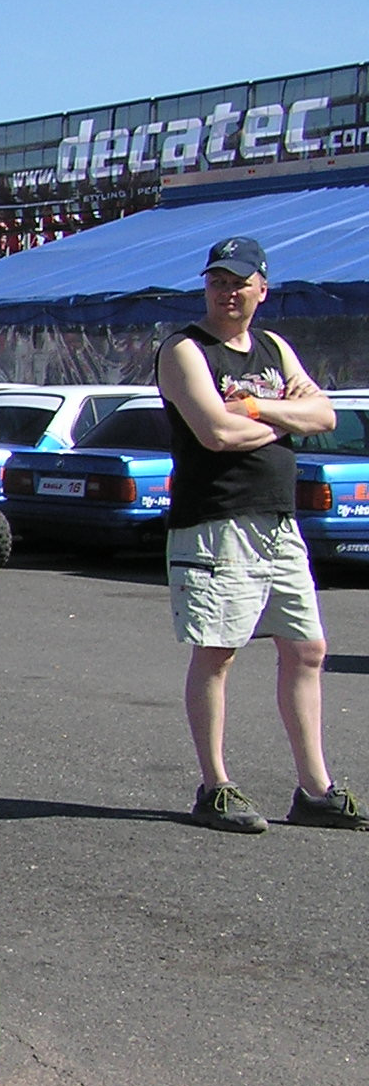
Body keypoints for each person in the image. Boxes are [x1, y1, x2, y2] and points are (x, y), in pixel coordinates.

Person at [157, 234, 366, 832]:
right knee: (219, 652)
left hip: (278, 521)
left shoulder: (273, 347)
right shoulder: (184, 350)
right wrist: (284, 419)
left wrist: (255, 409)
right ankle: (216, 786)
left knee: (306, 649)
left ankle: (315, 789)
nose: (227, 292)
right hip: (217, 520)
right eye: (217, 281)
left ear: (262, 290)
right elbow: (213, 434)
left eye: (239, 282)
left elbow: (325, 416)